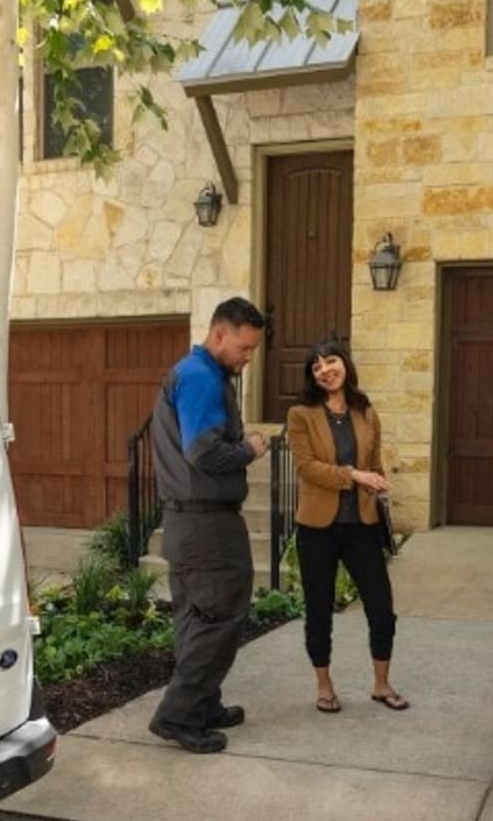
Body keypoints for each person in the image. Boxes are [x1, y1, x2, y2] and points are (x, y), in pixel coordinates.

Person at [147, 297, 270, 753]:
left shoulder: (197, 373)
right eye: (243, 347)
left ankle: (201, 703)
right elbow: (205, 453)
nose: (247, 357)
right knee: (220, 617)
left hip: (188, 522)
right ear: (219, 335)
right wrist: (252, 449)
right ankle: (180, 715)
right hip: (206, 527)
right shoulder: (200, 377)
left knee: (196, 617)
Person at [285, 339, 405, 713]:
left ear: (345, 364)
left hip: (362, 524)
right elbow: (307, 468)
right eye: (316, 366)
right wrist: (355, 475)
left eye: (330, 361)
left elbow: (375, 465)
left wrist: (379, 482)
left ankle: (382, 684)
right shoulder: (301, 414)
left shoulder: (366, 411)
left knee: (382, 608)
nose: (324, 370)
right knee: (319, 610)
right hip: (317, 528)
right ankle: (324, 687)